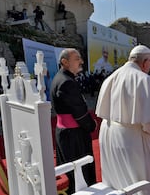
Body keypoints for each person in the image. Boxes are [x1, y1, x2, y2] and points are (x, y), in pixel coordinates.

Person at [95, 45, 150, 194]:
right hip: (131, 140)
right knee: (139, 183)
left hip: (108, 133)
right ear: (146, 61)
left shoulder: (111, 77)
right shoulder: (143, 79)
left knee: (116, 180)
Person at [50, 48, 97, 194]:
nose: (81, 61)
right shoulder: (67, 82)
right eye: (77, 59)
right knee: (78, 173)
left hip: (66, 133)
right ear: (65, 62)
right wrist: (92, 125)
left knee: (68, 169)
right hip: (74, 135)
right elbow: (80, 112)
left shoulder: (61, 77)